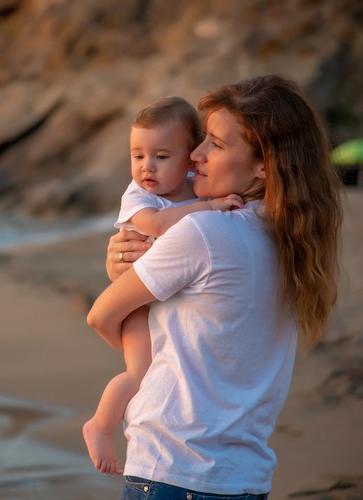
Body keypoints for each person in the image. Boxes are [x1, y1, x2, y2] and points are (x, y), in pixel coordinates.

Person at [87, 74, 342, 498]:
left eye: (217, 145)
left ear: (265, 165)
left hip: (171, 467)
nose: (196, 155)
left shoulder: (205, 232)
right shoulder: (292, 240)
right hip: (245, 477)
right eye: (203, 138)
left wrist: (123, 284)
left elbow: (100, 315)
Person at [83, 96, 243, 475]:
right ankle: (101, 425)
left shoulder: (196, 185)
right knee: (140, 372)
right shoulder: (140, 195)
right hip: (139, 303)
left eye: (161, 156)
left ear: (191, 157)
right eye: (137, 156)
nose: (146, 167)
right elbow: (155, 226)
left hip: (162, 296)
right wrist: (211, 208)